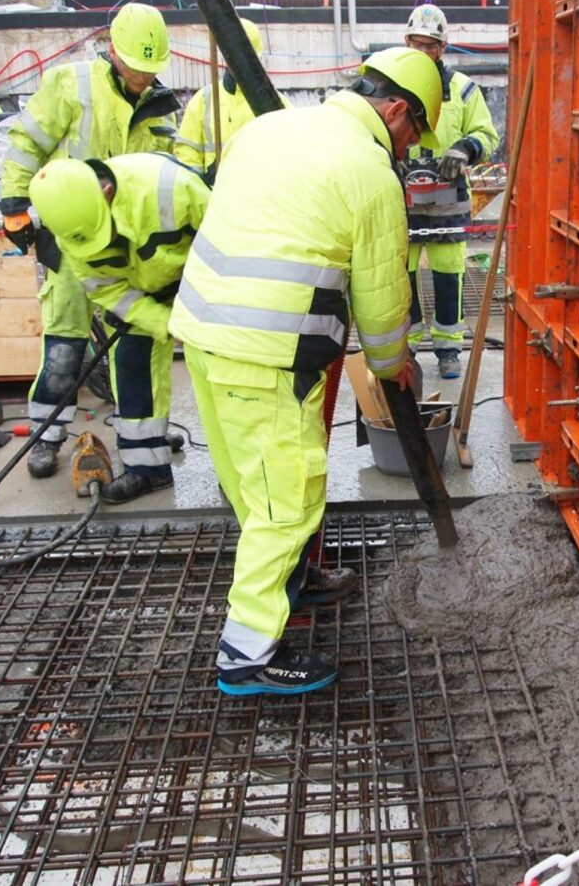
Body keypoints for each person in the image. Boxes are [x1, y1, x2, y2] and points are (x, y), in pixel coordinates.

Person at [169, 46, 442, 697]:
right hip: (270, 350)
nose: (409, 148)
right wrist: (391, 365)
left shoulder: (270, 128)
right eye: (413, 132)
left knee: (252, 483)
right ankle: (248, 655)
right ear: (396, 108)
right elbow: (380, 301)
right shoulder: (371, 172)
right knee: (287, 498)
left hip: (205, 332)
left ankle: (290, 577)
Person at [0, 3, 181, 489]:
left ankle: (142, 440)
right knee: (64, 346)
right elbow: (26, 141)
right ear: (115, 52)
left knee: (135, 349)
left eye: (152, 69)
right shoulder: (71, 84)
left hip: (129, 253)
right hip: (71, 243)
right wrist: (14, 202)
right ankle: (47, 435)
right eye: (137, 66)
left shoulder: (163, 108)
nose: (144, 77)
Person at [28, 154, 208, 500]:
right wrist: (164, 322)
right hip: (145, 297)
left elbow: (229, 237)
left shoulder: (169, 187)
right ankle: (147, 468)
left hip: (205, 287)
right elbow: (110, 291)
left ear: (107, 192)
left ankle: (240, 474)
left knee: (225, 378)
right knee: (130, 363)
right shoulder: (72, 233)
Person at [401, 3, 499, 379]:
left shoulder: (462, 89)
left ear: (443, 48)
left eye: (431, 45)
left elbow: (487, 135)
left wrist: (464, 149)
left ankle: (447, 350)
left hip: (446, 199)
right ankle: (404, 347)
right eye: (417, 43)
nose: (423, 51)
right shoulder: (387, 85)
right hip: (401, 201)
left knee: (448, 276)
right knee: (401, 277)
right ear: (406, 41)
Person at [175, 19, 289, 182]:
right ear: (226, 57)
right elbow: (187, 158)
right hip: (213, 200)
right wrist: (202, 186)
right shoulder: (204, 100)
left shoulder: (278, 105)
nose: (242, 67)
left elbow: (290, 159)